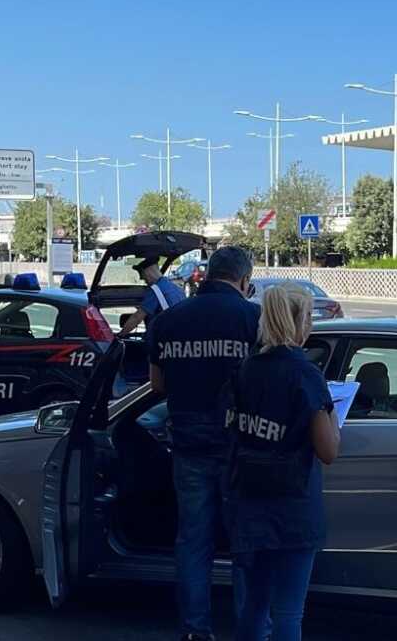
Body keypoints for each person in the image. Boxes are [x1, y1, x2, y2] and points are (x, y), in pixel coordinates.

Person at [147, 246, 262, 641]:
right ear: (244, 280)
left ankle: (195, 630)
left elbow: (157, 385)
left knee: (194, 542)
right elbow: (268, 384)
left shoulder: (169, 320)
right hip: (239, 446)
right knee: (245, 544)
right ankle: (250, 631)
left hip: (188, 445)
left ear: (207, 274)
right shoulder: (253, 318)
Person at [225, 283, 340, 641]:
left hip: (249, 500)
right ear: (299, 322)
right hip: (292, 506)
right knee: (289, 611)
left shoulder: (246, 368)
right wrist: (333, 413)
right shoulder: (305, 375)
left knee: (255, 604)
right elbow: (328, 450)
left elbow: (231, 430)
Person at [118, 256, 185, 336]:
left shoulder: (155, 290)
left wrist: (121, 335)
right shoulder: (177, 288)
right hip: (179, 336)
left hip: (163, 337)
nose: (144, 280)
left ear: (147, 272)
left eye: (143, 277)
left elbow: (137, 317)